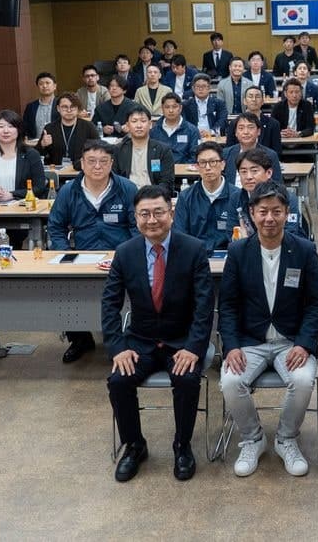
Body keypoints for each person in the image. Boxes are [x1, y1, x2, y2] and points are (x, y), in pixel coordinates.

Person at [103, 184, 214, 483]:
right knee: (118, 381)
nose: (152, 220)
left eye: (158, 212)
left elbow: (205, 306)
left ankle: (182, 445)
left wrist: (194, 347)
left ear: (171, 214)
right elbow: (110, 304)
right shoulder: (125, 253)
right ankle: (135, 445)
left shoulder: (193, 249)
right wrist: (118, 348)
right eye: (144, 214)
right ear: (136, 217)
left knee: (188, 379)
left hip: (182, 341)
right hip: (140, 341)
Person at [219, 181, 318, 477]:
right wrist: (232, 346)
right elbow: (227, 305)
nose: (269, 218)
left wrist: (304, 344)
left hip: (291, 342)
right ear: (251, 213)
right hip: (249, 341)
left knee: (303, 380)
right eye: (262, 211)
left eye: (276, 211)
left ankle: (286, 438)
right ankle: (253, 439)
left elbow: (316, 303)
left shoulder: (304, 250)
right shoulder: (238, 251)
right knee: (229, 382)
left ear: (286, 213)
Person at [48, 140, 138, 363]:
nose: (97, 166)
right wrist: (64, 254)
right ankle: (79, 339)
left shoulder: (127, 188)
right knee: (67, 292)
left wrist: (132, 255)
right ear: (82, 163)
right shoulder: (69, 191)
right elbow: (56, 226)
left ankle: (125, 339)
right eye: (92, 161)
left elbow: (138, 227)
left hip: (120, 255)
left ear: (111, 164)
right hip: (81, 255)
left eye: (103, 161)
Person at [173, 141, 238, 255]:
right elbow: (180, 235)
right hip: (194, 255)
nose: (208, 168)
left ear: (223, 164)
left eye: (213, 162)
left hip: (228, 255)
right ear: (197, 167)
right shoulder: (186, 197)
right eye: (202, 163)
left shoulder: (237, 196)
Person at [227, 148, 305, 239]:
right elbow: (231, 233)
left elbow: (290, 234)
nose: (248, 177)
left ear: (268, 173)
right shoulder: (236, 198)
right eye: (243, 172)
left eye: (254, 171)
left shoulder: (287, 198)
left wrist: (247, 242)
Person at [113, 105, 174, 193]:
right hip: (127, 196)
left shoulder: (162, 150)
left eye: (143, 121)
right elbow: (114, 180)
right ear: (127, 125)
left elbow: (167, 182)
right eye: (134, 121)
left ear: (150, 124)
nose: (139, 125)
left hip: (154, 197)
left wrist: (153, 196)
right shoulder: (118, 150)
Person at [0, 109, 47, 203]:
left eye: (11, 126)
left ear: (19, 130)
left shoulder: (31, 155)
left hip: (23, 210)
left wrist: (12, 194)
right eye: (1, 126)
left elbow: (40, 187)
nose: (6, 131)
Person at [39, 92, 99, 168]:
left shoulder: (88, 127)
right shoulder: (49, 128)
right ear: (58, 108)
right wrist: (42, 145)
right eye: (65, 107)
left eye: (72, 106)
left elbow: (99, 150)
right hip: (56, 173)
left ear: (78, 109)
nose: (69, 110)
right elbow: (37, 154)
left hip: (82, 171)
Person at [223, 113, 282, 185]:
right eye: (241, 128)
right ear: (236, 133)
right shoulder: (226, 154)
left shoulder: (270, 155)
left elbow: (278, 185)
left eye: (250, 127)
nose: (246, 132)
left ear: (258, 131)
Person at [225, 86, 282, 155]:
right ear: (245, 101)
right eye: (250, 96)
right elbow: (229, 150)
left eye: (257, 97)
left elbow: (277, 152)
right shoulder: (234, 123)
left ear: (262, 101)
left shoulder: (273, 124)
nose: (254, 99)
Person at [150, 93, 200, 164]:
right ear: (162, 109)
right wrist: (157, 172)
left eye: (174, 107)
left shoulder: (192, 130)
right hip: (160, 173)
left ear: (180, 108)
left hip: (184, 173)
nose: (171, 110)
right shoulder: (154, 131)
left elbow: (194, 156)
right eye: (167, 107)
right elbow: (152, 156)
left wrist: (182, 170)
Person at [182, 73, 228, 137]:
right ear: (193, 88)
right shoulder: (185, 105)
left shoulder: (219, 103)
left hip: (213, 136)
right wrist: (195, 132)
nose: (201, 89)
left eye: (203, 86)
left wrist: (211, 132)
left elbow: (222, 121)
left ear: (209, 88)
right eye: (198, 86)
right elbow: (184, 123)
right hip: (192, 137)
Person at [92, 75, 136, 139]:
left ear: (124, 90)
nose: (114, 88)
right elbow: (93, 127)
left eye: (118, 86)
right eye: (111, 86)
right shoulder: (100, 108)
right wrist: (102, 129)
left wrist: (130, 128)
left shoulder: (134, 107)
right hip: (106, 142)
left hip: (128, 141)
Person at [23, 72, 60, 140]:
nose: (44, 86)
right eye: (41, 84)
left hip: (58, 145)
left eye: (47, 83)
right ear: (37, 87)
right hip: (36, 145)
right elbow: (25, 128)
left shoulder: (61, 104)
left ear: (55, 86)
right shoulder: (30, 107)